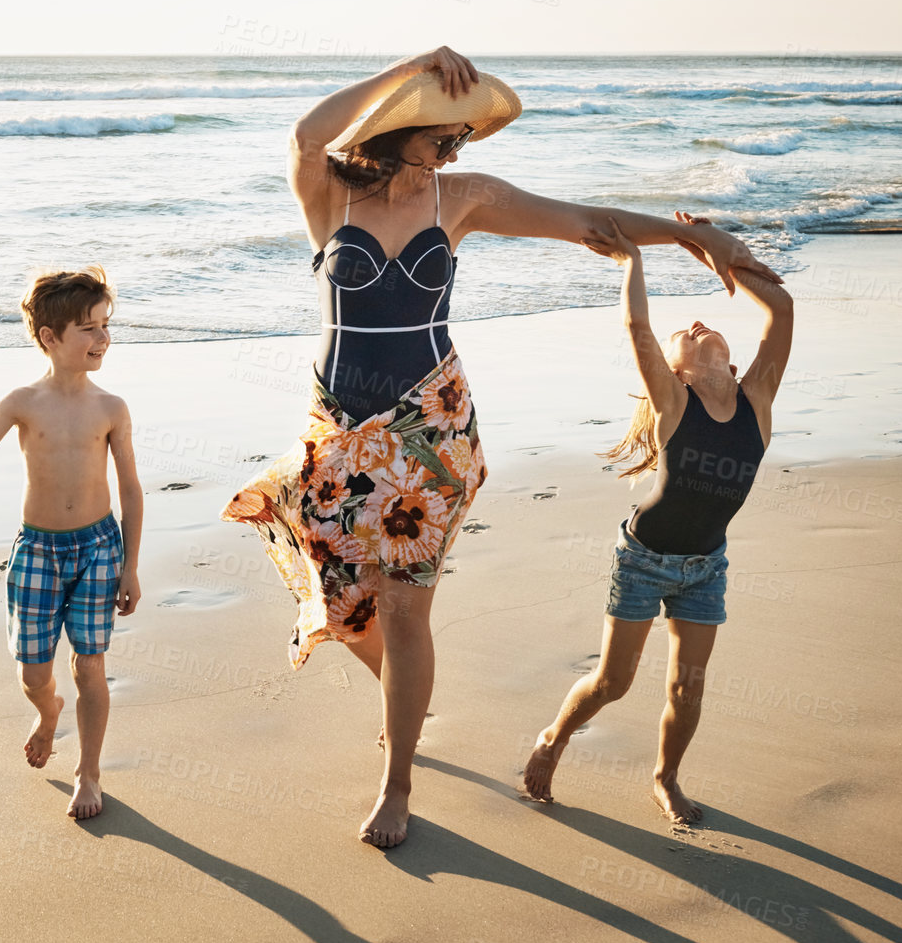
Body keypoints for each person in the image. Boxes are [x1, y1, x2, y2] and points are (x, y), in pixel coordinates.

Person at [223, 47, 781, 849]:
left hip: (429, 425)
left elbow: (590, 222)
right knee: (349, 604)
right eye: (442, 138)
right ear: (402, 126)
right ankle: (402, 701)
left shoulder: (464, 198)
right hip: (338, 429)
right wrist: (409, 66)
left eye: (461, 142)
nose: (454, 154)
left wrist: (699, 236)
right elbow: (306, 136)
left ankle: (398, 780)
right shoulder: (331, 194)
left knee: (408, 607)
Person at [522, 213, 793, 823]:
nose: (696, 325)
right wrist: (634, 263)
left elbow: (782, 310)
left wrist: (717, 252)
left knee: (686, 688)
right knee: (613, 684)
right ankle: (553, 739)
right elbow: (638, 324)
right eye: (685, 334)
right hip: (642, 562)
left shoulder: (758, 399)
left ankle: (666, 779)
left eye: (700, 325)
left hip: (706, 567)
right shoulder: (674, 403)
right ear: (676, 369)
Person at [0, 267, 142, 821]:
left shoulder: (111, 408)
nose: (102, 339)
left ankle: (88, 773)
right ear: (50, 338)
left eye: (105, 326)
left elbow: (132, 489)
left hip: (98, 547)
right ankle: (48, 715)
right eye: (88, 329)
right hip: (38, 551)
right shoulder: (22, 403)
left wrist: (130, 566)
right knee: (33, 675)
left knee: (91, 665)